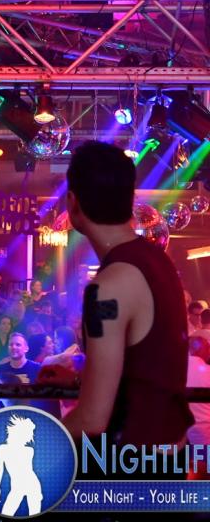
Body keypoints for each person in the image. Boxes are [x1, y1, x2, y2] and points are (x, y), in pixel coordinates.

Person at [62, 142, 192, 474]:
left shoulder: (108, 289)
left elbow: (92, 420)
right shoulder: (157, 259)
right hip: (170, 455)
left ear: (73, 202)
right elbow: (146, 363)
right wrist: (83, 379)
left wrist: (33, 437)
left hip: (131, 464)